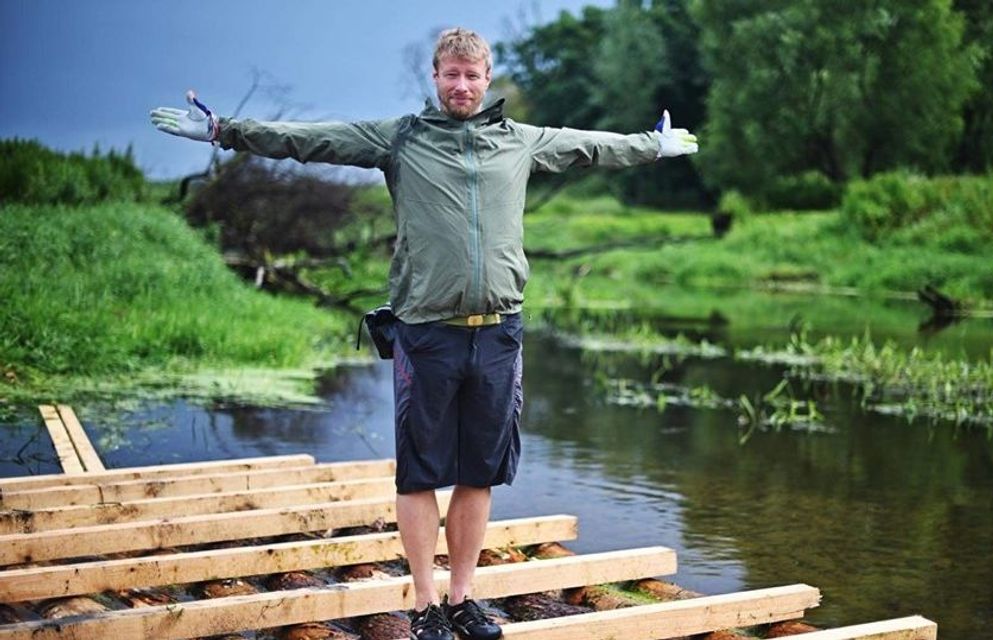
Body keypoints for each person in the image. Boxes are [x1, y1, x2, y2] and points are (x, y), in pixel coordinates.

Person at [151, 27, 697, 640]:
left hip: (498, 333)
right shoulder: (402, 138)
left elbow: (589, 146)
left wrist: (651, 146)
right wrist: (224, 131)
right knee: (419, 473)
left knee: (479, 473)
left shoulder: (519, 141)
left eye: (472, 75)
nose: (462, 85)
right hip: (426, 333)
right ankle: (424, 604)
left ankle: (462, 598)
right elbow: (312, 140)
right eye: (451, 74)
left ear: (487, 79)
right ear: (436, 78)